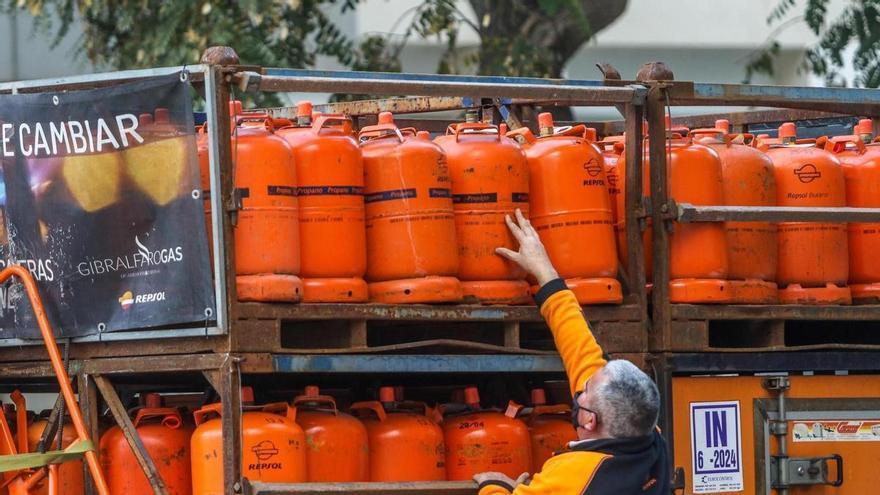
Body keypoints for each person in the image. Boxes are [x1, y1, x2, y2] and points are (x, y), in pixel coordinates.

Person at [474, 209, 670, 495]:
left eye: (586, 389)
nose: (581, 387)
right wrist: (544, 271)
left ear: (589, 419)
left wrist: (493, 486)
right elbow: (580, 347)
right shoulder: (651, 443)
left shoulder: (575, 477)